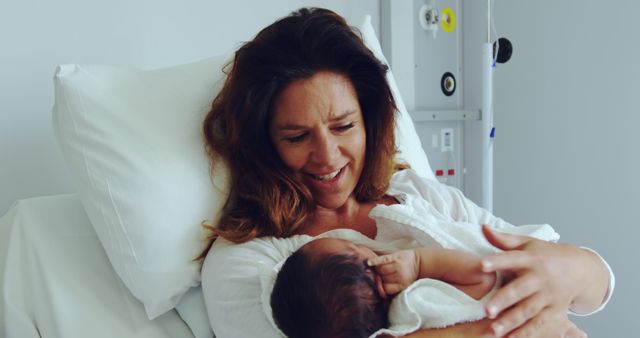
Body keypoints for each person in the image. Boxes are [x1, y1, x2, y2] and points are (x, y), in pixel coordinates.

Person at [199, 7, 614, 338]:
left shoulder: (414, 195)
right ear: (263, 143)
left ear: (370, 123)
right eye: (296, 136)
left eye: (344, 126)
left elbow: (595, 288)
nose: (326, 157)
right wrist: (507, 325)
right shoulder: (250, 261)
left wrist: (568, 272)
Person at [270, 237, 498, 338]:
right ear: (379, 283)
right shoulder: (415, 304)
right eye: (354, 245)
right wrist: (419, 263)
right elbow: (482, 276)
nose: (360, 242)